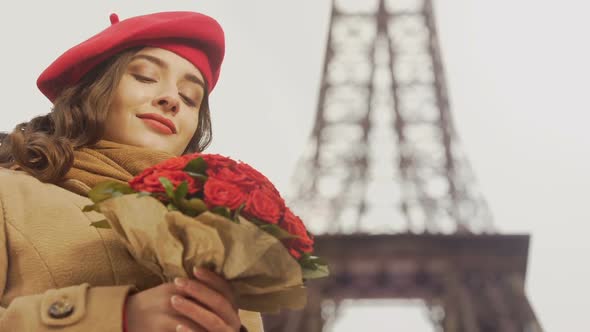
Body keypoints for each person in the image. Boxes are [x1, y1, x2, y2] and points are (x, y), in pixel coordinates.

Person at [0, 11, 263, 332]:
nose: (171, 100)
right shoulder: (9, 194)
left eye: (190, 98)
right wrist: (120, 316)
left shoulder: (221, 241)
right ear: (92, 92)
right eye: (145, 76)